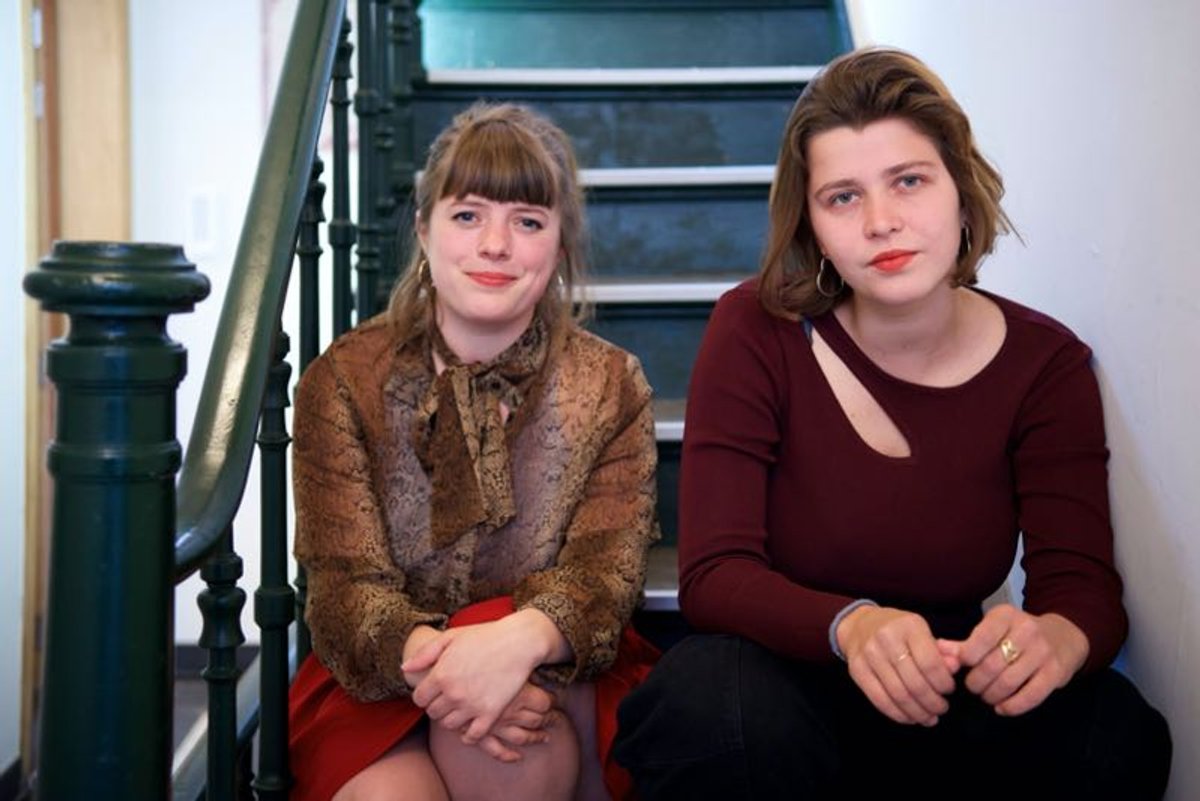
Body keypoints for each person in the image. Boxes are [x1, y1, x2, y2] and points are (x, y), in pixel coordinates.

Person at [613, 48, 1171, 800]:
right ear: (812, 225)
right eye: (843, 197)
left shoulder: (1046, 364)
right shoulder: (756, 328)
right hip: (783, 679)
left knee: (1114, 729)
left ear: (960, 191)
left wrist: (1054, 639)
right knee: (707, 703)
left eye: (909, 180)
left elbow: (1081, 588)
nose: (881, 222)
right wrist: (853, 625)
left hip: (949, 684)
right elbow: (713, 575)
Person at [287, 102, 660, 801]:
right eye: (467, 215)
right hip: (382, 674)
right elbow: (342, 588)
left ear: (559, 247)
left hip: (549, 665)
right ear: (423, 230)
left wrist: (515, 646)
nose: (496, 244)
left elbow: (604, 577)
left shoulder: (610, 383)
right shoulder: (343, 378)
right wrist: (449, 669)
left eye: (528, 222)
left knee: (511, 754)